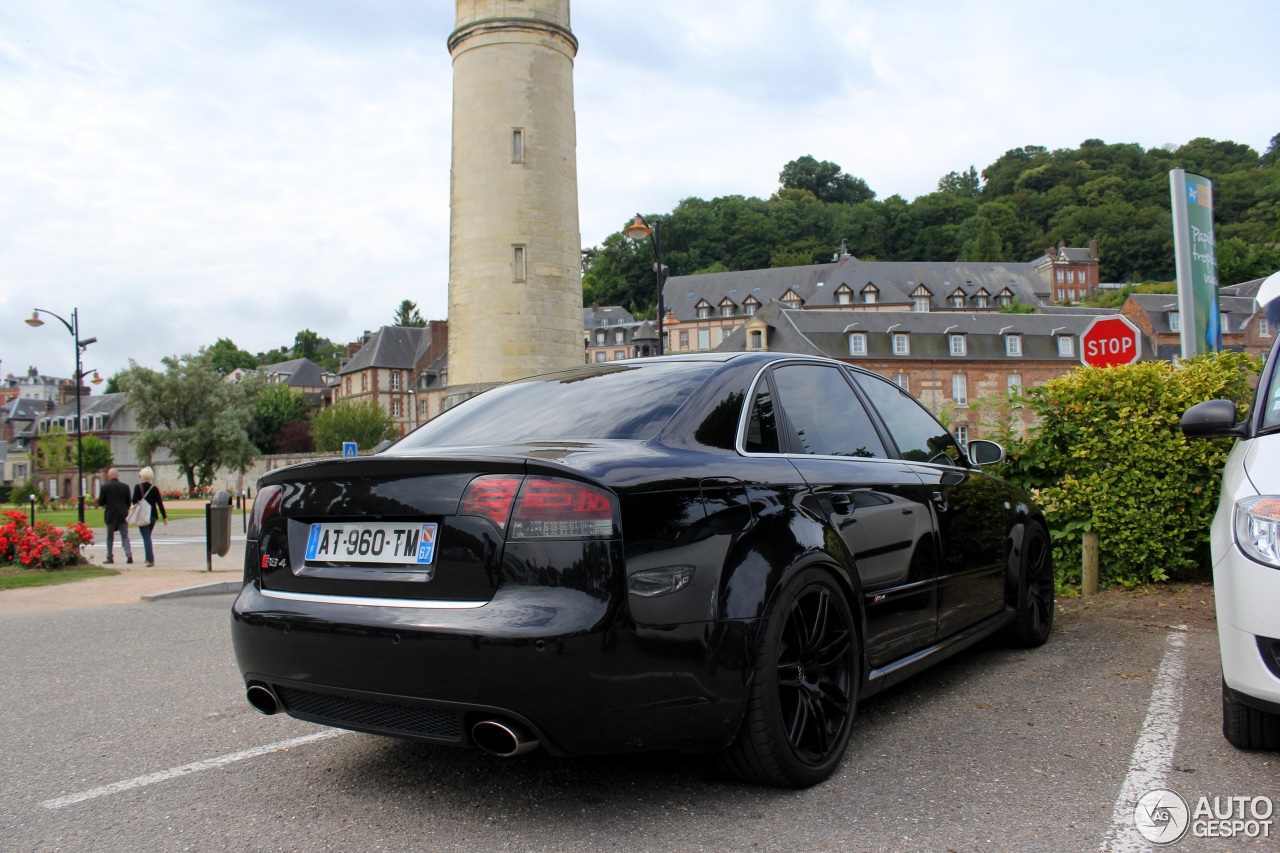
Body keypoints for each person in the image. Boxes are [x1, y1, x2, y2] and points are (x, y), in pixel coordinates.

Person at [131, 466, 168, 567]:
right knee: (147, 536)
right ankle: (148, 557)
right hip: (153, 516)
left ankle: (150, 559)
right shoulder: (154, 488)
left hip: (143, 515)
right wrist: (164, 516)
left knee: (146, 537)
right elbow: (160, 503)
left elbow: (134, 500)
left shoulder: (138, 487)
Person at [96, 468, 133, 565]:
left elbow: (101, 502)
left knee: (109, 537)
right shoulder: (125, 487)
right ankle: (128, 554)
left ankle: (109, 557)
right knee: (125, 536)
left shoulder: (105, 487)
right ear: (117, 475)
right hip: (122, 515)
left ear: (109, 476)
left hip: (110, 515)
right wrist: (125, 509)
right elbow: (129, 502)